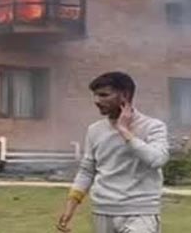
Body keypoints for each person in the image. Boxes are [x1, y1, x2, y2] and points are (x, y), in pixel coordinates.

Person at [56, 71, 169, 233]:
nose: (97, 101)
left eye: (104, 95)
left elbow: (158, 159)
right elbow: (87, 171)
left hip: (140, 212)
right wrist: (70, 208)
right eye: (95, 95)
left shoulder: (152, 126)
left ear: (125, 95)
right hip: (103, 211)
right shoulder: (95, 130)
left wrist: (124, 131)